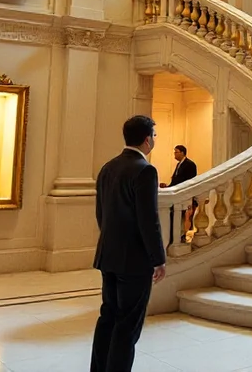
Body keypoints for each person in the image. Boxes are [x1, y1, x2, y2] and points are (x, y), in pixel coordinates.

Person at [91, 116, 167, 372]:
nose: (155, 140)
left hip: (108, 255)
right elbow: (149, 219)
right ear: (147, 139)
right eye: (154, 135)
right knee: (127, 325)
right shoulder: (145, 170)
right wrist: (157, 258)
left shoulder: (108, 167)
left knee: (108, 318)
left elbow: (101, 213)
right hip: (134, 261)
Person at [159, 145, 198, 235]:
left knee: (182, 217)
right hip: (176, 194)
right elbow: (176, 180)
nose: (174, 154)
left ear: (182, 153)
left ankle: (181, 235)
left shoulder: (190, 164)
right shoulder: (179, 164)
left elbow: (190, 181)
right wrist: (168, 187)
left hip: (183, 195)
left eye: (176, 152)